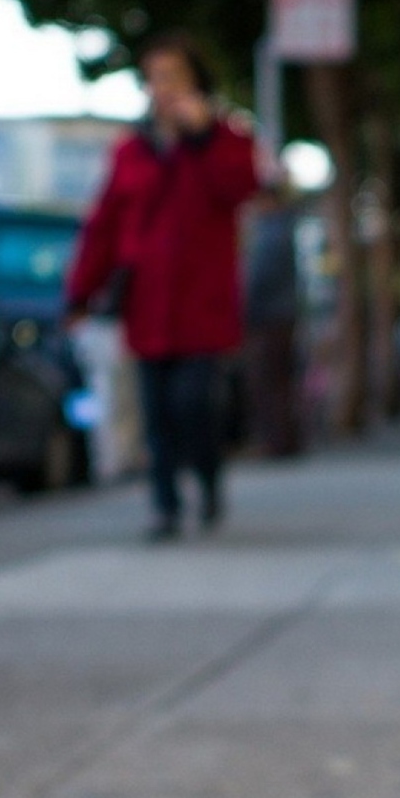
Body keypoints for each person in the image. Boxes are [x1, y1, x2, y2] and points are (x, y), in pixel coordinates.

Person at [64, 32, 263, 539]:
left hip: (203, 302)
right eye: (155, 78)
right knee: (155, 411)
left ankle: (209, 476)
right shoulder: (132, 151)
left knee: (193, 403)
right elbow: (104, 225)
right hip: (147, 303)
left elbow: (241, 188)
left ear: (197, 83)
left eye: (175, 77)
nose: (165, 88)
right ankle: (165, 506)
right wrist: (80, 294)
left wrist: (202, 139)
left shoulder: (227, 141)